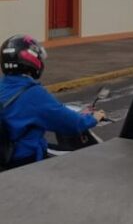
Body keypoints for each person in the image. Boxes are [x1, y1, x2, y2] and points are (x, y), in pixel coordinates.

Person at [0, 35, 105, 169]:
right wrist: (93, 118)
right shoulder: (33, 93)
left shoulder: (3, 85)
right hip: (25, 161)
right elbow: (70, 123)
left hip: (5, 158)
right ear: (32, 59)